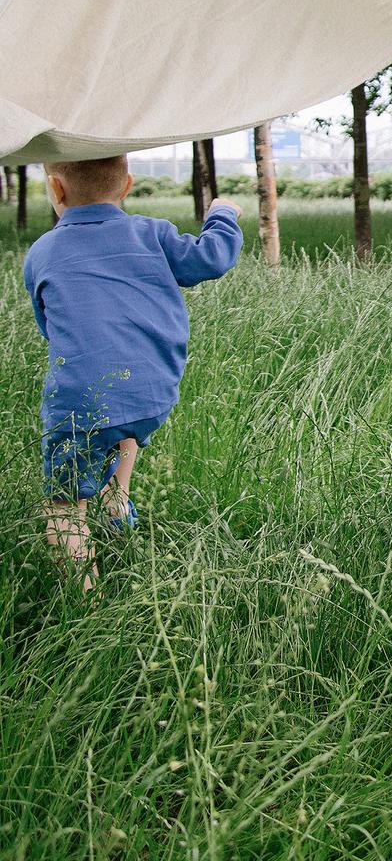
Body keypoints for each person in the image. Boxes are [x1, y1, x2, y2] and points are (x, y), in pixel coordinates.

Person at [23, 155, 243, 590]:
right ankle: (116, 502)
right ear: (126, 185)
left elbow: (48, 323)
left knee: (64, 509)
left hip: (82, 397)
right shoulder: (152, 233)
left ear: (56, 189)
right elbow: (211, 259)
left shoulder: (43, 251)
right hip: (153, 390)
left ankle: (85, 611)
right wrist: (222, 214)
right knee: (120, 421)